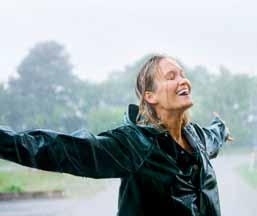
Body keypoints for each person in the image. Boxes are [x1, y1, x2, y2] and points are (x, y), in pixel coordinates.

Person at [0, 54, 232, 216]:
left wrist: (222, 127)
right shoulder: (135, 146)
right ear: (150, 96)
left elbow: (215, 135)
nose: (183, 80)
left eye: (182, 74)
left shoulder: (198, 139)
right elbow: (58, 148)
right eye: (171, 76)